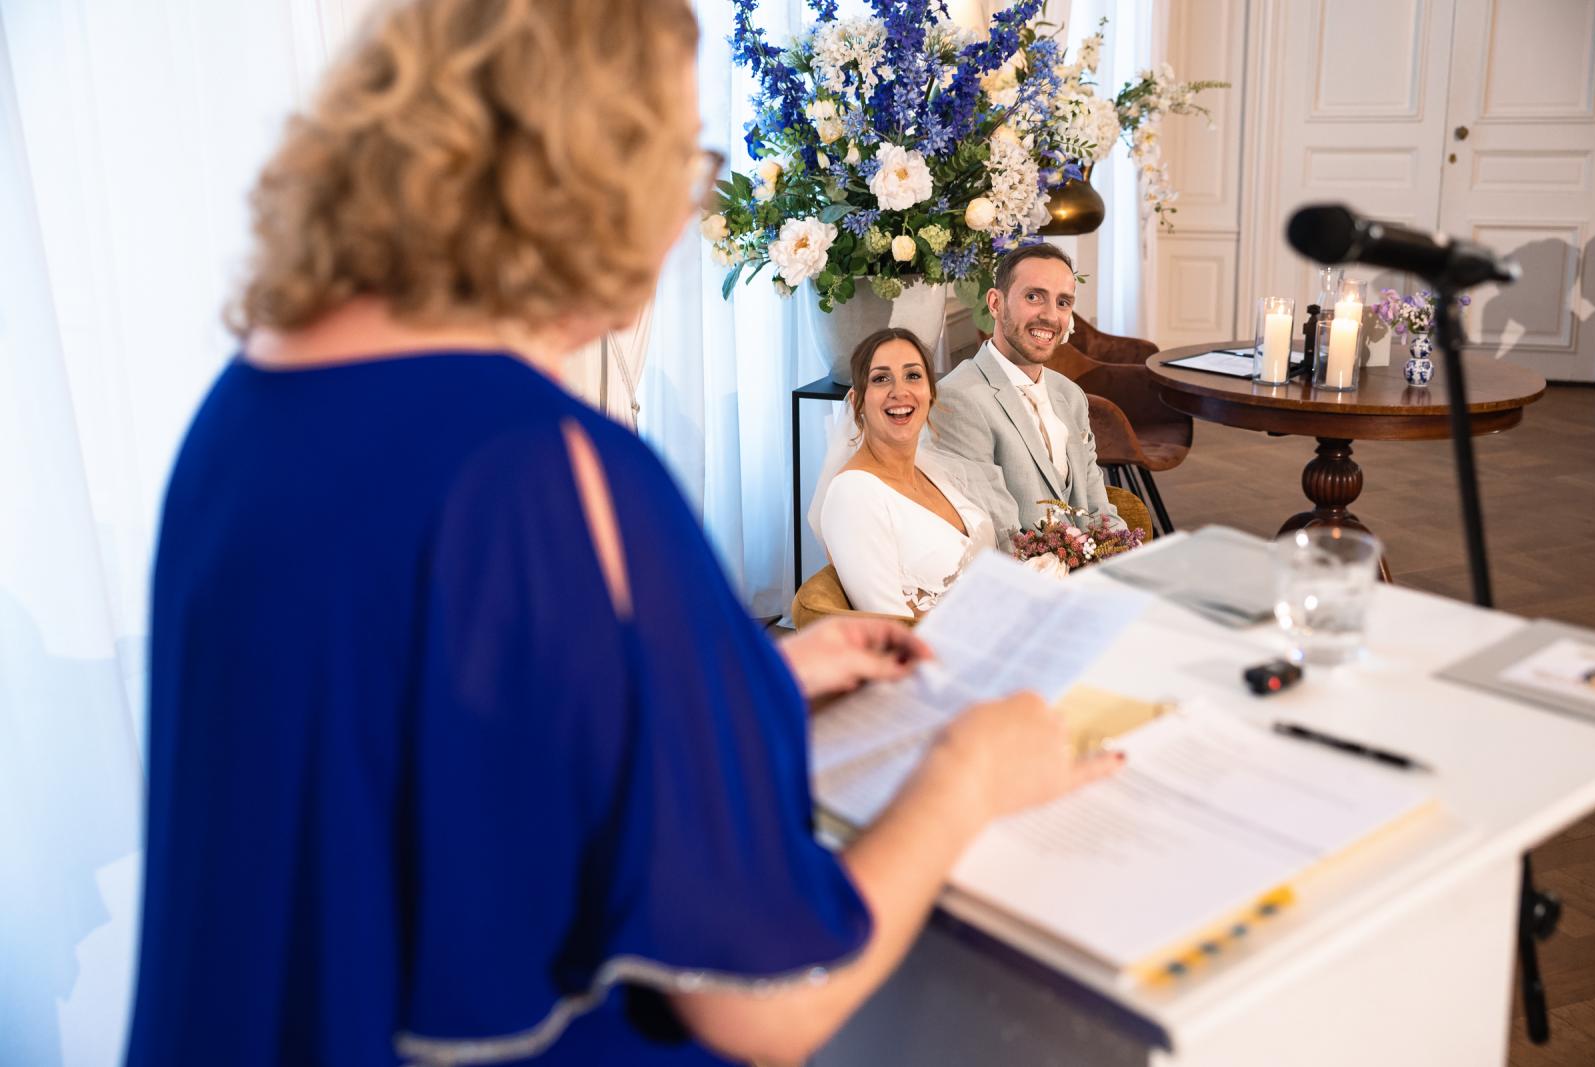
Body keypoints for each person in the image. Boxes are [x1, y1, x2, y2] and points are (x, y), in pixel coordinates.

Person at [124, 2, 1124, 1065]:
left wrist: (750, 684)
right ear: (596, 174)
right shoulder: (548, 472)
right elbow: (769, 998)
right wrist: (965, 776)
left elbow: (434, 735)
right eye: (686, 161)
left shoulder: (245, 408)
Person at [814, 327, 1018, 617]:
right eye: (881, 379)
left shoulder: (933, 470)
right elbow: (890, 625)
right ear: (857, 401)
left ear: (931, 394)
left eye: (913, 376)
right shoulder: (853, 495)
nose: (900, 392)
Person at [934, 244, 1126, 533]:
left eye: (1063, 302)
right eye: (1034, 297)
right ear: (995, 303)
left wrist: (1124, 558)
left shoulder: (1070, 395)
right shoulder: (957, 399)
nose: (1050, 316)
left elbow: (1099, 510)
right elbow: (995, 533)